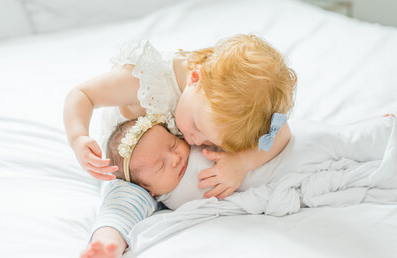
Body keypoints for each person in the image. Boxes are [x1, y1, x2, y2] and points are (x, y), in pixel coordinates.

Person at [81, 113, 397, 257]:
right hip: (283, 179)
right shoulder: (147, 193)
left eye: (172, 146)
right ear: (145, 187)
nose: (176, 158)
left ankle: (384, 127)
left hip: (283, 150)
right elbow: (119, 212)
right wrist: (106, 243)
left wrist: (240, 157)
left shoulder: (196, 141)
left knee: (342, 142)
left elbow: (277, 122)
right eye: (161, 165)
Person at [63, 34, 297, 200]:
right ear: (195, 78)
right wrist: (78, 138)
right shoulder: (147, 80)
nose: (195, 140)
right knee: (124, 199)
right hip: (127, 159)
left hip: (170, 168)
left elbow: (281, 131)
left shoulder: (230, 114)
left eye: (209, 142)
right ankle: (108, 235)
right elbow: (82, 94)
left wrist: (243, 163)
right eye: (196, 126)